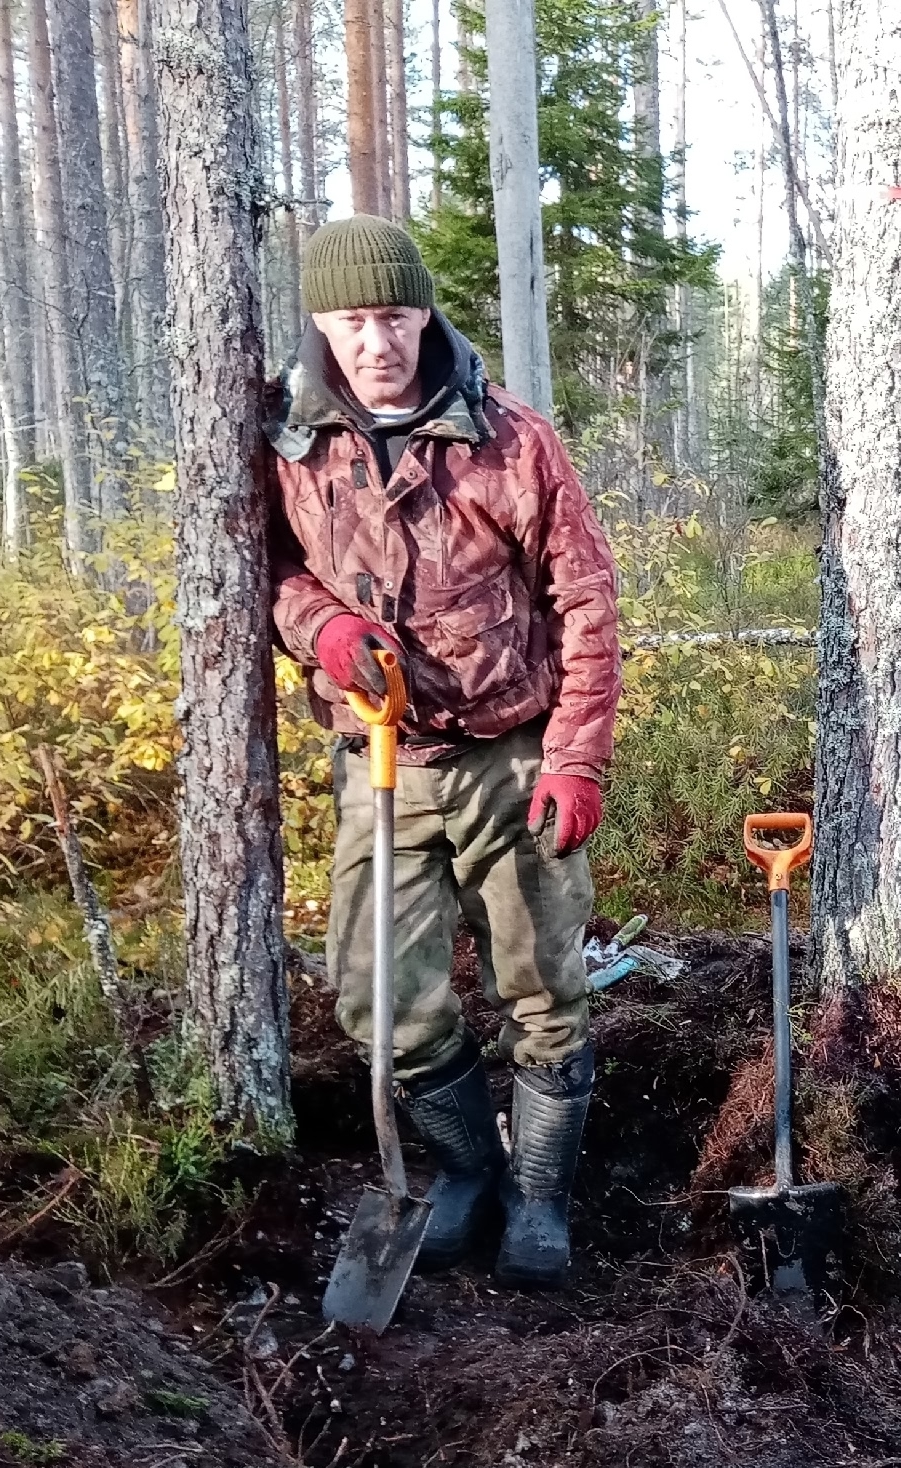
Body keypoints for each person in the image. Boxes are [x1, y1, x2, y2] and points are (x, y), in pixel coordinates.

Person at [266, 215, 622, 1291]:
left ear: (424, 313)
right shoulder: (286, 439)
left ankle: (540, 1197)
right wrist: (322, 629)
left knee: (544, 983)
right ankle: (465, 1168)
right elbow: (276, 571)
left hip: (512, 750)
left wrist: (576, 757)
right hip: (381, 760)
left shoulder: (510, 440)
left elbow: (586, 599)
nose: (376, 340)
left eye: (394, 314)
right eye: (352, 319)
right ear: (323, 323)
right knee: (379, 994)